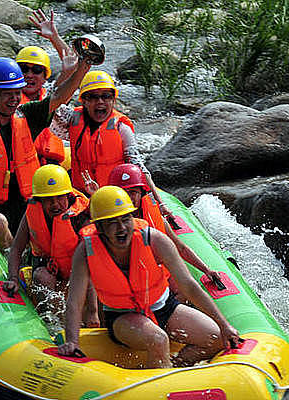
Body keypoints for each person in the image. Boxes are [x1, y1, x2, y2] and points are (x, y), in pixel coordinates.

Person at [58, 186, 240, 368]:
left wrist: (224, 324)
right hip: (122, 316)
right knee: (158, 339)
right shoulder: (85, 251)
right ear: (99, 227)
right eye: (112, 222)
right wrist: (72, 342)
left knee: (215, 337)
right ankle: (163, 384)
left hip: (165, 308)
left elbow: (188, 285)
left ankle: (173, 368)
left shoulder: (155, 240)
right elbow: (75, 301)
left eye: (125, 219)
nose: (121, 228)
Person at [0, 56, 91, 251]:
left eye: (17, 93)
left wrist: (82, 69)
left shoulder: (28, 115)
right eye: (7, 94)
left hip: (26, 201)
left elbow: (59, 97)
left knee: (70, 209)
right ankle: (13, 257)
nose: (14, 99)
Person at [48, 70, 170, 215]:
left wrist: (160, 203)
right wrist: (71, 70)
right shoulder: (72, 118)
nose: (100, 101)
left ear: (113, 100)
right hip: (81, 194)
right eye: (93, 97)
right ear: (84, 101)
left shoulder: (121, 128)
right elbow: (49, 103)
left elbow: (139, 167)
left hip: (115, 198)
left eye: (106, 96)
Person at [2, 165, 98, 326]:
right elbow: (17, 248)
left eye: (59, 198)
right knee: (41, 275)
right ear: (40, 201)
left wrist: (93, 312)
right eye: (48, 199)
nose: (55, 204)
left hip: (81, 275)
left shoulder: (82, 218)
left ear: (68, 196)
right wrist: (13, 278)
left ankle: (91, 320)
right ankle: (56, 326)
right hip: (51, 271)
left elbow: (91, 266)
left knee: (91, 279)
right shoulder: (32, 213)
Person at [108, 163, 222, 298]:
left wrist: (206, 270)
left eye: (133, 192)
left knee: (183, 292)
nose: (129, 198)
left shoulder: (155, 217)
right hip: (128, 280)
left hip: (154, 270)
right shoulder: (110, 226)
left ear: (141, 194)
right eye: (124, 193)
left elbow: (180, 247)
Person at [17, 9, 74, 105]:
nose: (29, 75)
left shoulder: (52, 95)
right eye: (24, 69)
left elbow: (73, 66)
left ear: (45, 77)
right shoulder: (6, 99)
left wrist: (55, 38)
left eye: (37, 70)